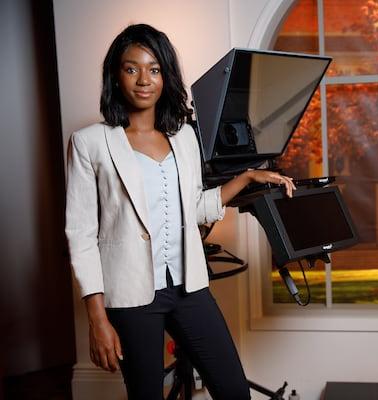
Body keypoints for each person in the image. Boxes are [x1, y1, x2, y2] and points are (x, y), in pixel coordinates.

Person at [65, 24, 295, 400]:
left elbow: (196, 207)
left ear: (166, 75)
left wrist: (247, 176)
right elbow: (81, 234)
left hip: (189, 287)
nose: (144, 80)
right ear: (115, 75)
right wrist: (97, 319)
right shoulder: (89, 143)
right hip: (131, 294)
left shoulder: (184, 137)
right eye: (131, 68)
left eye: (154, 69)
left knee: (234, 390)